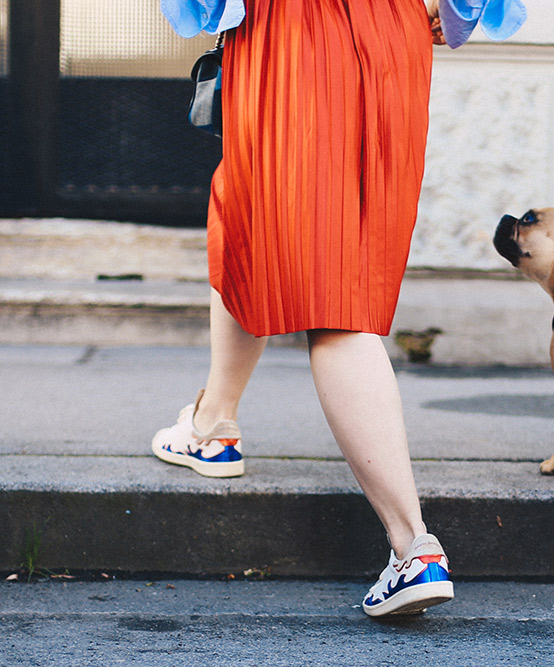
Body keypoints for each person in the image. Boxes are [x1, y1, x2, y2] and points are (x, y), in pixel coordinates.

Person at [152, 0, 455, 618]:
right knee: (247, 222)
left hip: (290, 33)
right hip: (393, 33)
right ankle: (214, 426)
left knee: (337, 297)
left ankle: (413, 548)